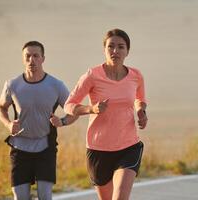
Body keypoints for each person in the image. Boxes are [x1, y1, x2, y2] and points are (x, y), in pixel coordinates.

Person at [64, 28, 148, 200]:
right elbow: (69, 105)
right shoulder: (92, 76)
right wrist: (91, 109)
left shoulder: (136, 76)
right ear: (104, 49)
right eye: (111, 46)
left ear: (127, 51)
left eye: (120, 47)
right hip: (98, 148)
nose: (115, 51)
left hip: (128, 146)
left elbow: (140, 98)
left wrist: (141, 111)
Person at [0, 41, 78, 200]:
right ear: (23, 59)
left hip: (45, 147)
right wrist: (8, 124)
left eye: (35, 56)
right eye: (27, 56)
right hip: (19, 147)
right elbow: (1, 108)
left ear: (43, 58)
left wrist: (63, 121)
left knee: (45, 196)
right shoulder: (12, 84)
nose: (31, 60)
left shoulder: (56, 85)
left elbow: (74, 110)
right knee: (20, 197)